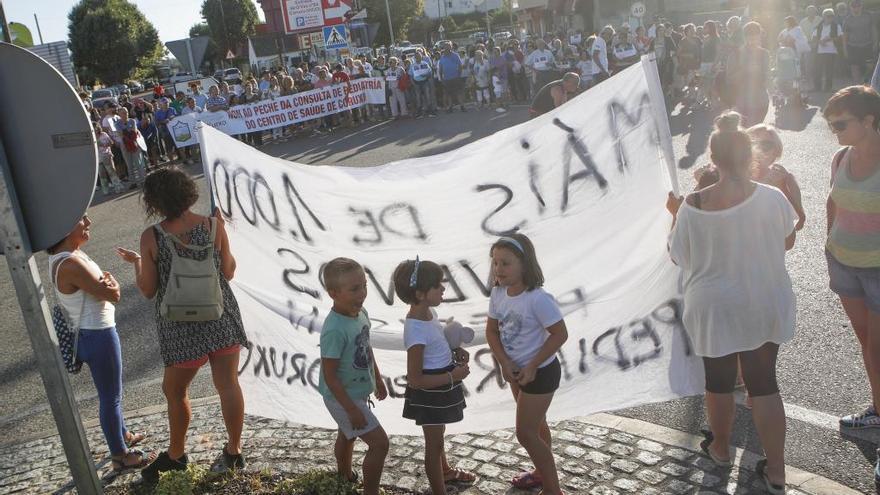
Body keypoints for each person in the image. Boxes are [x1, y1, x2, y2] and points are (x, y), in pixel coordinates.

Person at [667, 112, 796, 495]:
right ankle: (776, 471)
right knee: (764, 385)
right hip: (762, 297)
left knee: (719, 382)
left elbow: (678, 256)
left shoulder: (693, 204)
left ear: (713, 158)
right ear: (750, 155)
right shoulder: (773, 197)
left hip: (715, 303)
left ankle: (720, 448)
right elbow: (788, 240)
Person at [116, 168, 250, 481]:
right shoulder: (213, 225)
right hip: (220, 316)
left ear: (154, 201)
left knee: (175, 391)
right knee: (228, 385)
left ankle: (176, 455)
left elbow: (148, 290)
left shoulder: (153, 236)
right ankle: (233, 451)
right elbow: (228, 272)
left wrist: (138, 262)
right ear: (189, 192)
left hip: (180, 326)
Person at [47, 215, 153, 474]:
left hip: (92, 332)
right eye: (80, 219)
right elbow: (113, 294)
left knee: (111, 393)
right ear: (63, 228)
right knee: (110, 397)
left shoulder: (70, 255)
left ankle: (123, 433)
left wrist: (106, 286)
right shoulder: (70, 263)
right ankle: (120, 456)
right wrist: (112, 284)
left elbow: (103, 289)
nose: (88, 221)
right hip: (98, 334)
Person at [486, 234, 568, 495]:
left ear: (524, 263)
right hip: (517, 372)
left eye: (506, 263)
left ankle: (553, 490)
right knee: (538, 426)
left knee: (526, 433)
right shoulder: (498, 293)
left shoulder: (538, 298)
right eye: (495, 263)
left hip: (541, 373)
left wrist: (532, 364)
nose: (498, 269)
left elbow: (560, 334)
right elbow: (492, 332)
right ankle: (540, 474)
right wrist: (504, 362)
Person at [392, 259, 476, 494]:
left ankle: (446, 471)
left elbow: (437, 344)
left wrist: (455, 351)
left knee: (439, 435)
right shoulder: (415, 329)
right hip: (430, 392)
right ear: (420, 293)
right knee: (434, 444)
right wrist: (453, 377)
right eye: (437, 285)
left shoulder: (430, 312)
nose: (443, 289)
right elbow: (416, 379)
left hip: (442, 383)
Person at [823, 86, 880, 433]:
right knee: (868, 345)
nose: (835, 133)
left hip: (877, 269)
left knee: (877, 349)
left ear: (869, 120)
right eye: (831, 126)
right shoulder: (841, 157)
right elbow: (833, 200)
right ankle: (877, 407)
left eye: (841, 125)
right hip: (844, 263)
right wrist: (829, 240)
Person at [318, 258, 389, 495]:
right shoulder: (334, 329)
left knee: (347, 435)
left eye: (364, 285)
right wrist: (351, 409)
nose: (363, 293)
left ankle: (344, 473)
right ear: (334, 293)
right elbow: (330, 376)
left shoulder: (361, 312)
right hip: (341, 397)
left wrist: (377, 378)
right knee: (380, 444)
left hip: (356, 391)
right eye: (355, 289)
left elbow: (366, 347)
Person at [730, 22, 771, 127]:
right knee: (745, 134)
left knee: (755, 133)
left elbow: (767, 77)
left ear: (760, 35)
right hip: (742, 101)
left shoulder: (765, 53)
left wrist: (766, 78)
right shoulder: (736, 53)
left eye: (756, 35)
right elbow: (729, 78)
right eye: (749, 35)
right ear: (745, 37)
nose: (753, 38)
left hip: (761, 101)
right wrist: (746, 69)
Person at [843, 0, 876, 85]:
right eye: (853, 6)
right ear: (850, 7)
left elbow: (873, 30)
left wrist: (876, 42)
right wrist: (845, 49)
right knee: (854, 67)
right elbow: (845, 35)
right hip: (853, 46)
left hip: (867, 44)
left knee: (870, 66)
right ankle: (857, 86)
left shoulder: (868, 16)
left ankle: (864, 79)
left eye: (858, 6)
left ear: (861, 6)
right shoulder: (847, 19)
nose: (856, 8)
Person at [116, 107, 147, 188]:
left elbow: (134, 131)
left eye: (126, 112)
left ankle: (142, 180)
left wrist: (127, 133)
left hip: (134, 143)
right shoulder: (117, 123)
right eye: (123, 113)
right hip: (125, 145)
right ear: (119, 114)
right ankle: (133, 182)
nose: (125, 114)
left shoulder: (132, 121)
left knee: (138, 163)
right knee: (129, 165)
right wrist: (128, 133)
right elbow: (120, 134)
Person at [814, 9, 843, 92]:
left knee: (829, 70)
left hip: (831, 51)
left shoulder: (836, 26)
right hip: (819, 51)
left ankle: (828, 88)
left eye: (832, 16)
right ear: (823, 17)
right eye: (828, 16)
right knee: (817, 69)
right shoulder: (819, 26)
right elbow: (814, 37)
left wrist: (830, 39)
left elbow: (840, 38)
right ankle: (817, 87)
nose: (830, 18)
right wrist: (820, 42)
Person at [94, 122, 124, 195]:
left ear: (98, 128)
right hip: (98, 158)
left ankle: (118, 187)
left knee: (111, 172)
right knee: (102, 175)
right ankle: (105, 191)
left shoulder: (104, 134)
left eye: (95, 128)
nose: (94, 129)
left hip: (106, 155)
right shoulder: (92, 137)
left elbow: (111, 143)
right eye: (93, 128)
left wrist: (103, 144)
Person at [409, 51, 437, 118]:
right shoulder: (412, 65)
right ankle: (419, 113)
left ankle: (431, 112)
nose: (417, 57)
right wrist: (413, 83)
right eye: (416, 56)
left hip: (425, 82)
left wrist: (427, 75)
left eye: (419, 56)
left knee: (428, 96)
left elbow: (430, 72)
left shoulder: (425, 63)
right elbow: (410, 76)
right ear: (415, 57)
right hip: (416, 83)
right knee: (418, 98)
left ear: (421, 56)